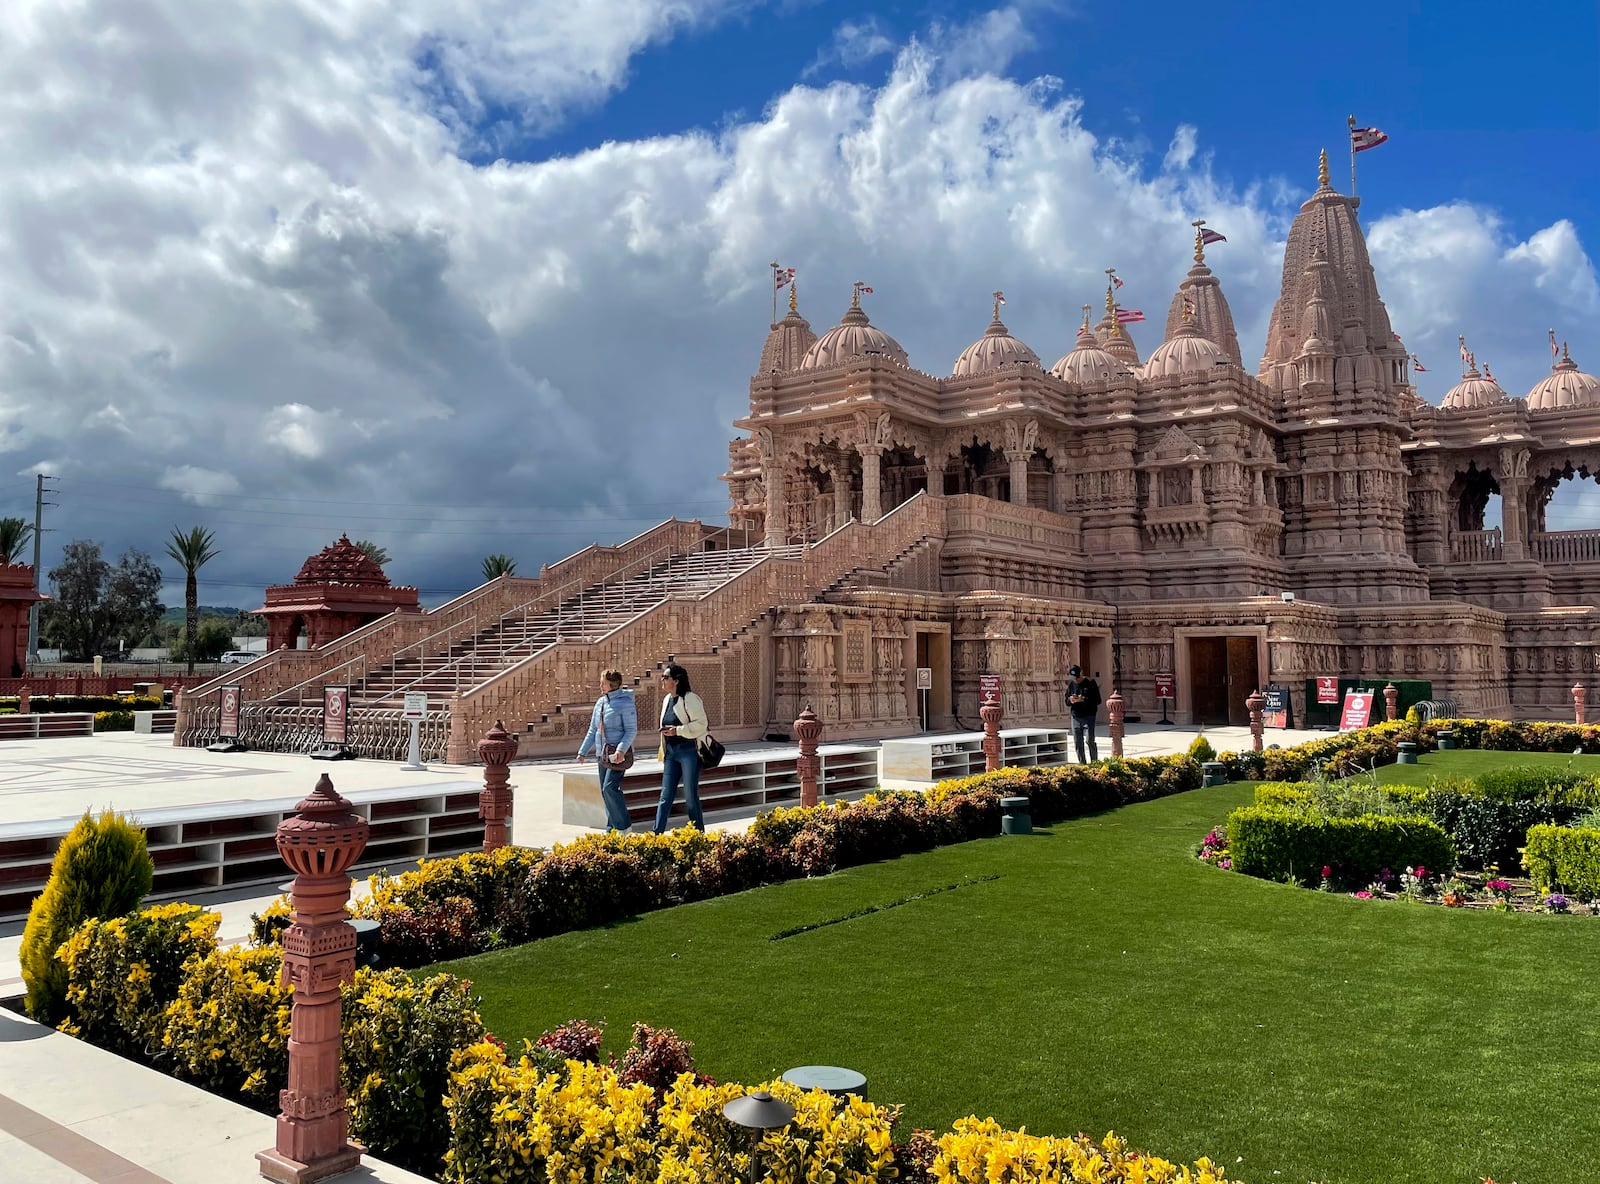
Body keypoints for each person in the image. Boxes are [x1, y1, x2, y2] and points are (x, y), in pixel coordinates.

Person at [577, 669, 637, 831]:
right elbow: (593, 730)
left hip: (618, 755)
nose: (600, 685)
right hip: (602, 754)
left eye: (603, 682)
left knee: (609, 788)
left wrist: (621, 750)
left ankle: (624, 826)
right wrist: (583, 751)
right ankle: (611, 828)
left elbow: (631, 730)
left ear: (613, 684)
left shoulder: (625, 703)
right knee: (605, 793)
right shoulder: (601, 702)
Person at [653, 663, 709, 833]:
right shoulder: (667, 700)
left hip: (688, 752)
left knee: (690, 796)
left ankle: (698, 834)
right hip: (671, 753)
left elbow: (701, 724)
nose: (662, 680)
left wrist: (677, 730)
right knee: (665, 796)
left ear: (676, 681)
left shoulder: (690, 698)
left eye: (665, 677)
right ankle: (656, 835)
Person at [1065, 664, 1101, 763]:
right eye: (1074, 678)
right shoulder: (1071, 684)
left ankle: (1094, 762)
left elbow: (1098, 700)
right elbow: (1067, 701)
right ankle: (1082, 764)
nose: (1076, 680)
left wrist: (1083, 699)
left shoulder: (1090, 683)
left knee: (1089, 740)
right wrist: (1071, 700)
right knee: (1078, 742)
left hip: (1088, 716)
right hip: (1076, 716)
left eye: (1077, 677)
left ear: (1081, 673)